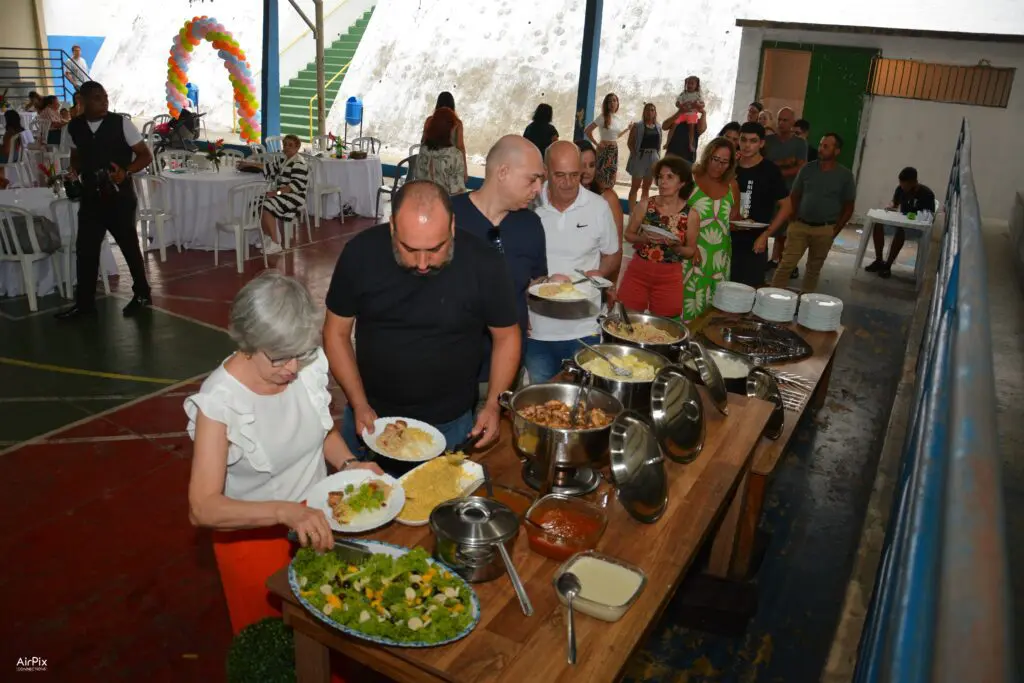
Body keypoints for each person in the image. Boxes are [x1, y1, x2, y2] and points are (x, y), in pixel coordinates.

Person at [186, 272, 384, 635]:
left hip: (319, 521)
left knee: (331, 636)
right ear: (248, 342)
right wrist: (284, 511)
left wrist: (350, 465)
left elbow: (318, 429)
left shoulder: (303, 367)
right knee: (275, 643)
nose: (292, 369)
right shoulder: (220, 401)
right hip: (253, 540)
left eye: (300, 353)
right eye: (279, 358)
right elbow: (203, 507)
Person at [323, 180, 521, 462]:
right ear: (392, 227)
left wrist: (493, 405)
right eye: (410, 249)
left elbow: (507, 336)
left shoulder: (484, 263)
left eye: (435, 249)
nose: (423, 263)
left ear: (452, 227)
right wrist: (358, 402)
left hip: (451, 423)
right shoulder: (360, 254)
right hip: (372, 418)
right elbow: (335, 333)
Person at [451, 135, 547, 401]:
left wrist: (550, 286)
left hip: (505, 370)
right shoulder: (448, 216)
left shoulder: (531, 226)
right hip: (450, 370)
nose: (538, 189)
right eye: (532, 179)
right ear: (502, 172)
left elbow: (533, 282)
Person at [55, 81, 153, 320]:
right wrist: (73, 171)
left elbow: (145, 155)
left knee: (129, 245)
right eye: (97, 97)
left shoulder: (121, 123)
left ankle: (142, 293)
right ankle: (85, 305)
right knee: (85, 250)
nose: (104, 101)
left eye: (105, 96)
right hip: (90, 197)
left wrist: (126, 171)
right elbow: (76, 156)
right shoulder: (73, 128)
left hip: (119, 196)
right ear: (83, 101)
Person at [526, 141, 620, 382]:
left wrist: (599, 272)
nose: (568, 183)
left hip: (584, 327)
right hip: (538, 328)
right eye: (560, 175)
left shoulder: (598, 207)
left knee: (584, 402)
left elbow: (612, 252)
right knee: (541, 403)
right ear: (546, 171)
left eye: (574, 175)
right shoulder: (528, 205)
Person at [758, 133, 856, 293]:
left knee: (813, 269)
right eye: (821, 144)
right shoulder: (807, 169)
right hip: (800, 226)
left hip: (825, 229)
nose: (821, 149)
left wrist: (835, 230)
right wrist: (793, 221)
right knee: (786, 264)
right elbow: (795, 195)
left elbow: (849, 206)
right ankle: (772, 297)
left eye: (826, 146)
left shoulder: (844, 176)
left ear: (836, 151)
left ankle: (806, 302)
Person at [617, 156, 696, 318]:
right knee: (626, 320)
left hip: (669, 276)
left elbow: (691, 251)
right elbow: (628, 234)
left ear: (682, 183)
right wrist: (643, 239)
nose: (662, 182)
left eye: (670, 177)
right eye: (660, 177)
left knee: (664, 328)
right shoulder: (646, 205)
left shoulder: (691, 214)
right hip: (638, 271)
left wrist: (677, 247)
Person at [683, 137, 740, 320]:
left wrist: (742, 223)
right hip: (692, 253)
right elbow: (675, 214)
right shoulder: (690, 179)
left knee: (712, 311)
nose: (719, 166)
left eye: (725, 162)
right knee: (686, 301)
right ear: (707, 157)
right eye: (715, 159)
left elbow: (733, 218)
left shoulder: (732, 186)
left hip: (718, 258)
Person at [732, 122, 788, 287]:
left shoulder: (770, 170)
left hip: (755, 240)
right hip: (726, 236)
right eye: (743, 140)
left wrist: (766, 234)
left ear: (761, 143)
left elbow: (787, 205)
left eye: (753, 141)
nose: (747, 145)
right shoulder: (730, 167)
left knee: (748, 290)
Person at [865, 167, 936, 278]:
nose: (903, 187)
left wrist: (912, 217)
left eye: (906, 184)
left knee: (900, 231)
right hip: (900, 223)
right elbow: (895, 202)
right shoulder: (900, 189)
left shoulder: (926, 194)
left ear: (914, 182)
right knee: (878, 225)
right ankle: (879, 260)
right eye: (901, 183)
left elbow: (929, 217)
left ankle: (887, 266)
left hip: (916, 229)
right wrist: (891, 206)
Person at [764, 107, 809, 278]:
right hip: (769, 191)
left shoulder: (799, 143)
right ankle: (772, 259)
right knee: (767, 224)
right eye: (780, 120)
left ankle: (786, 262)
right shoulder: (768, 140)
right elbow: (764, 164)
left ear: (793, 122)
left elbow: (800, 167)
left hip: (790, 191)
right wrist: (786, 163)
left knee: (786, 230)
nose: (782, 123)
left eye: (786, 120)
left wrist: (777, 170)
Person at [578, 139, 625, 286]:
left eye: (591, 165)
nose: (587, 171)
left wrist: (610, 286)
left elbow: (616, 251)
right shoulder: (562, 200)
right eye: (581, 166)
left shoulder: (607, 198)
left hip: (596, 279)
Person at [259, 134, 309, 255]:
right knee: (258, 202)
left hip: (295, 196)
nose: (286, 147)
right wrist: (248, 164)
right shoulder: (284, 159)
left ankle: (276, 243)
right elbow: (269, 168)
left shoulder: (299, 163)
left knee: (267, 205)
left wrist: (276, 193)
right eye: (285, 145)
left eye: (290, 145)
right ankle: (268, 238)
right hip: (283, 194)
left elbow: (293, 187)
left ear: (297, 147)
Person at [415, 106, 466, 195]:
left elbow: (418, 177)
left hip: (425, 199)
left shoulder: (423, 150)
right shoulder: (455, 155)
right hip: (445, 203)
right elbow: (457, 190)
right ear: (451, 128)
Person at [584, 93, 628, 188]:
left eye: (614, 100)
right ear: (606, 104)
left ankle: (607, 200)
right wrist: (597, 144)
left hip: (613, 150)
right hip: (604, 150)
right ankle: (598, 198)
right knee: (601, 177)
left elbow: (616, 135)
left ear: (617, 103)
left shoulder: (618, 119)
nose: (612, 103)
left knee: (611, 178)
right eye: (609, 101)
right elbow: (587, 131)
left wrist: (627, 129)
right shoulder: (602, 117)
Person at [423, 91, 468, 184]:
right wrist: (465, 170)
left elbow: (423, 141)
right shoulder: (457, 123)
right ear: (452, 105)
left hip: (429, 162)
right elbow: (460, 147)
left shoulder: (429, 120)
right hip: (449, 164)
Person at [625, 103, 662, 207]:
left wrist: (658, 158)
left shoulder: (658, 127)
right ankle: (632, 213)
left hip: (654, 158)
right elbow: (630, 143)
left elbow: (659, 144)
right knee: (635, 187)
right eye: (647, 110)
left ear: (655, 113)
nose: (650, 112)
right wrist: (635, 155)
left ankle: (642, 213)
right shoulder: (637, 126)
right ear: (644, 112)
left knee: (646, 188)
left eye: (652, 110)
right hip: (640, 157)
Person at [663, 92, 708, 163]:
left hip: (687, 159)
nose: (688, 106)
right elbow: (664, 126)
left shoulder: (696, 122)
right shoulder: (676, 119)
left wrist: (703, 113)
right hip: (670, 157)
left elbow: (702, 129)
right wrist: (680, 112)